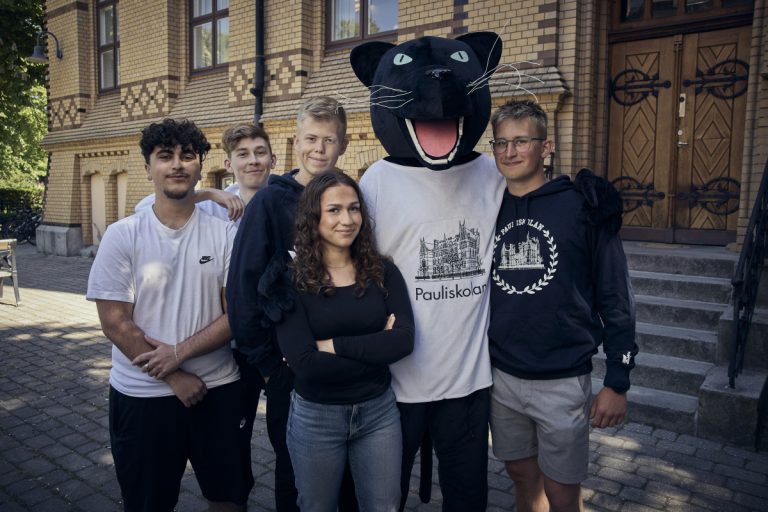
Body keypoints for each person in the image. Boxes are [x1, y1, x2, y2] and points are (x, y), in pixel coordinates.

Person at [86, 118, 253, 511]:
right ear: (148, 168)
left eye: (187, 156)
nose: (177, 164)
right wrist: (175, 375)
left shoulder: (224, 234)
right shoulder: (123, 234)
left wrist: (178, 353)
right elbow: (114, 321)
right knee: (148, 503)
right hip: (143, 396)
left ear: (200, 166)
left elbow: (237, 314)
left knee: (229, 499)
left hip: (218, 389)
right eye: (165, 156)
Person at [487, 100, 637, 512]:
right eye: (501, 143)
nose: (510, 152)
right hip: (501, 374)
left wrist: (618, 380)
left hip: (561, 378)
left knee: (562, 490)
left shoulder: (583, 207)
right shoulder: (486, 206)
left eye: (521, 141)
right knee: (520, 474)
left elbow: (616, 297)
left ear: (546, 146)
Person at [227, 96, 352, 512]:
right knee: (296, 479)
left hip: (345, 360)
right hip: (289, 368)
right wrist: (266, 365)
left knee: (346, 477)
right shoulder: (269, 202)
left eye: (328, 140)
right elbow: (243, 287)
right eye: (311, 138)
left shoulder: (350, 200)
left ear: (343, 145)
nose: (319, 148)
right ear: (295, 141)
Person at [273, 171, 414, 512]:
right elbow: (306, 366)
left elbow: (404, 342)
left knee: (384, 507)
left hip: (378, 413)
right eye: (334, 210)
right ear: (313, 217)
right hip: (316, 418)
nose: (347, 220)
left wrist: (332, 345)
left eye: (354, 209)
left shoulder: (383, 272)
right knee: (317, 507)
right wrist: (377, 343)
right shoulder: (291, 281)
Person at [133, 122, 276, 225]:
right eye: (243, 154)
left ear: (273, 160)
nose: (253, 161)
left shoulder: (287, 200)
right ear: (228, 165)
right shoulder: (215, 206)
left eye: (260, 152)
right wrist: (208, 193)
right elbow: (144, 208)